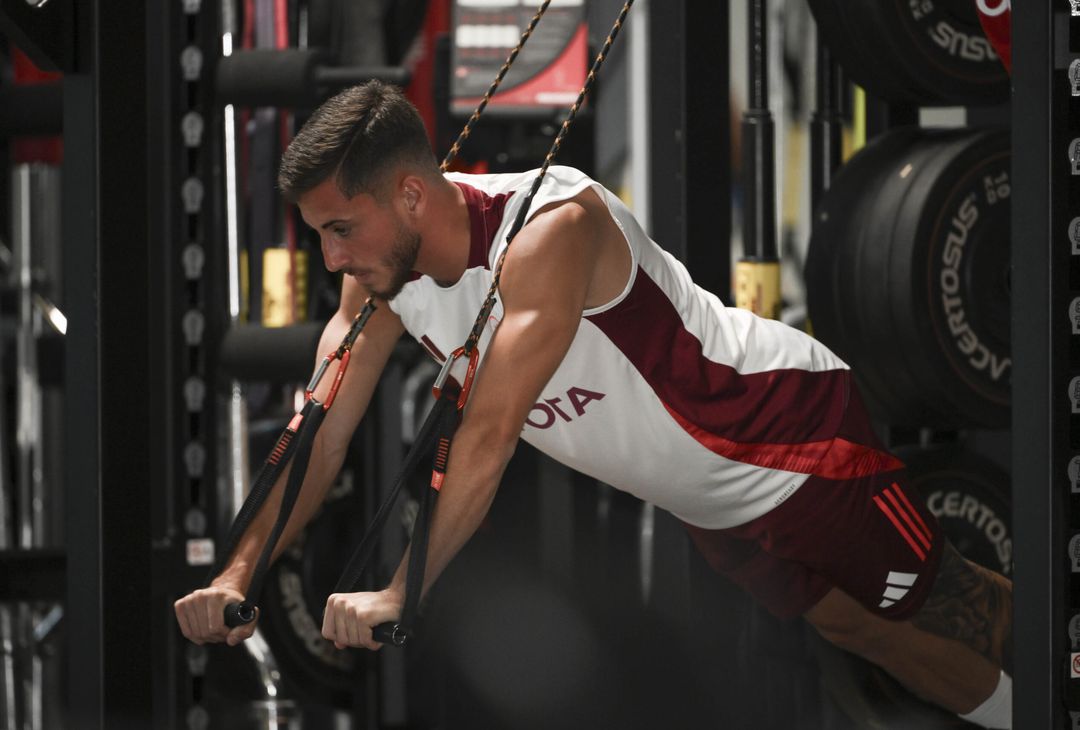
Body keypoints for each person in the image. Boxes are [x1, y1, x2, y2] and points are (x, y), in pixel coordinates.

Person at [174, 81, 1013, 729]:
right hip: (709, 500)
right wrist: (240, 573)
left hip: (786, 437)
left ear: (410, 197)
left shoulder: (549, 232)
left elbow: (489, 434)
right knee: (859, 632)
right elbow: (318, 435)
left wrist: (402, 592)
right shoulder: (377, 283)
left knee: (955, 605)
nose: (329, 260)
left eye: (339, 229)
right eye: (318, 234)